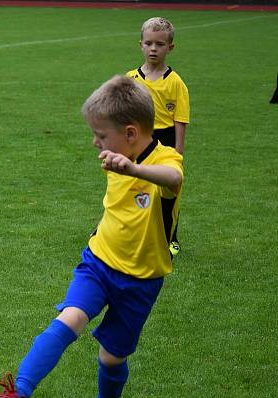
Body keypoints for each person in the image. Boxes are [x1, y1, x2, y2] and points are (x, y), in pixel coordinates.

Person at [0, 75, 184, 398]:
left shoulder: (162, 161)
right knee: (70, 318)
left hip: (141, 281)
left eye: (100, 134)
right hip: (98, 263)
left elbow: (172, 178)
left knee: (111, 356)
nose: (95, 142)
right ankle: (17, 394)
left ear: (129, 133)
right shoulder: (116, 155)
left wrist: (135, 169)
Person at [127, 16, 190, 256]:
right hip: (139, 139)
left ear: (170, 47)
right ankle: (128, 231)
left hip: (165, 140)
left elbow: (180, 119)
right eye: (149, 43)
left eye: (160, 44)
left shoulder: (175, 82)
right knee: (133, 187)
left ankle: (169, 237)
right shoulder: (131, 78)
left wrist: (178, 150)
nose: (154, 49)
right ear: (141, 44)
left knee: (168, 192)